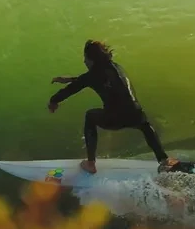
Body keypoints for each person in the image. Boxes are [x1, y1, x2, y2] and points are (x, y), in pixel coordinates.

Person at [48, 40, 177, 174]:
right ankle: (164, 160)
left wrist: (53, 101)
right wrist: (70, 79)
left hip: (115, 118)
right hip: (136, 114)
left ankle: (90, 163)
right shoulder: (116, 67)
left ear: (92, 60)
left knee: (90, 116)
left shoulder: (93, 75)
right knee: (145, 126)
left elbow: (74, 88)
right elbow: (92, 79)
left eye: (85, 58)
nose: (84, 61)